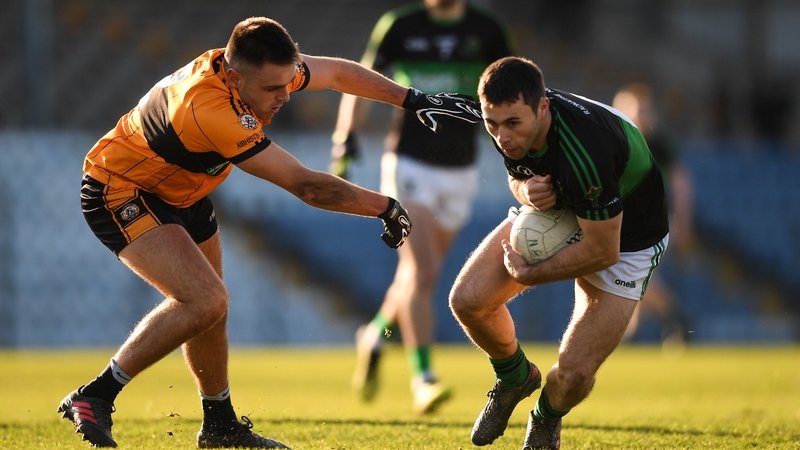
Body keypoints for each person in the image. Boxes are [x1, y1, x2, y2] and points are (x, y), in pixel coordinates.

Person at [56, 17, 480, 449]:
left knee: (212, 308)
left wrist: (413, 99)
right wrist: (384, 206)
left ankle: (220, 427)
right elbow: (306, 186)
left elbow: (337, 73)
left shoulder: (256, 73)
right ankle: (96, 395)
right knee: (206, 300)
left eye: (287, 83)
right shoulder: (208, 109)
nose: (285, 96)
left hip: (182, 190)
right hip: (122, 189)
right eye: (273, 89)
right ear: (234, 78)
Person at [448, 56, 670, 449]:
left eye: (512, 124)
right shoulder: (509, 120)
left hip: (627, 240)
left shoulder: (585, 152)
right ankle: (515, 377)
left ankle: (546, 417)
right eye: (492, 124)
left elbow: (603, 251)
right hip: (564, 208)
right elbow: (517, 177)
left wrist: (531, 274)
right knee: (467, 301)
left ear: (543, 107)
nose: (502, 136)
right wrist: (525, 191)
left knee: (574, 377)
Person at [329, 0, 514, 415]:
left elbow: (514, 90)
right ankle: (424, 379)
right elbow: (359, 80)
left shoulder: (488, 29)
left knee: (416, 276)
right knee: (424, 272)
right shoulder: (399, 25)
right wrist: (345, 137)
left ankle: (375, 335)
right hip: (409, 164)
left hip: (462, 169)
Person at [612, 82, 693, 345]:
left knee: (634, 276)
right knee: (633, 278)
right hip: (623, 224)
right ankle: (632, 334)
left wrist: (683, 221)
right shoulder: (614, 143)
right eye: (638, 110)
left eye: (646, 110)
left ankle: (676, 318)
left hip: (653, 223)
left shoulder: (658, 145)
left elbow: (681, 182)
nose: (643, 116)